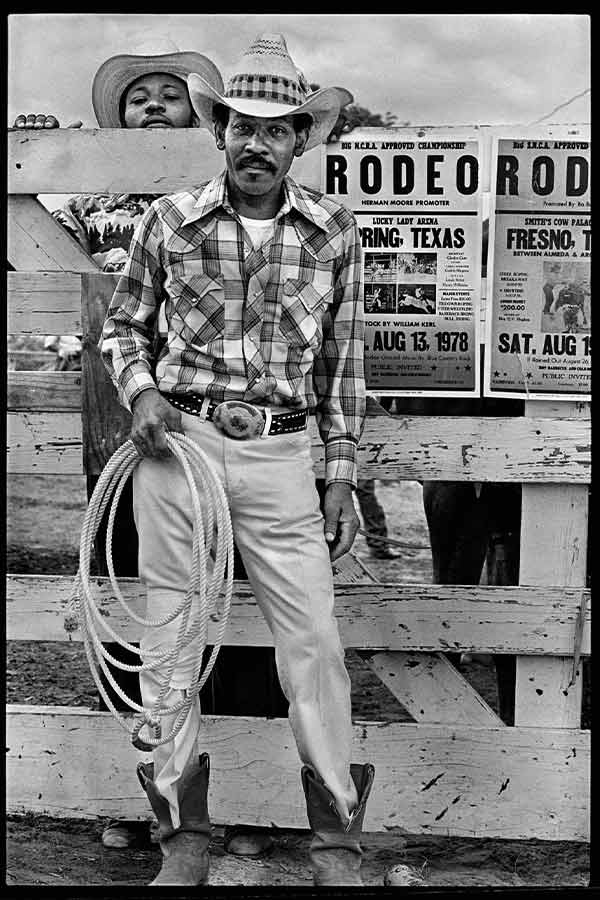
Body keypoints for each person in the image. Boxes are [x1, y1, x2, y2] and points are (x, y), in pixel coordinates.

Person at [100, 33, 374, 887]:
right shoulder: (169, 221)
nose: (258, 143)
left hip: (283, 448)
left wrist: (340, 470)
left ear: (301, 139)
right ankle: (182, 836)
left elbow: (344, 360)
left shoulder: (332, 231)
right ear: (220, 133)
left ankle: (336, 843)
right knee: (172, 635)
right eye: (243, 127)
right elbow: (123, 327)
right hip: (178, 447)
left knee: (314, 644)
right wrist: (142, 391)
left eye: (279, 129)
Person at [13, 37, 287, 859]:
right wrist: (29, 150)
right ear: (118, 121)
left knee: (234, 608)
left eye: (174, 94)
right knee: (139, 610)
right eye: (142, 97)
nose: (157, 104)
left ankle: (241, 790)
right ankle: (145, 789)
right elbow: (28, 226)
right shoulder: (94, 205)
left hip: (223, 433)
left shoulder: (231, 206)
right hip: (125, 433)